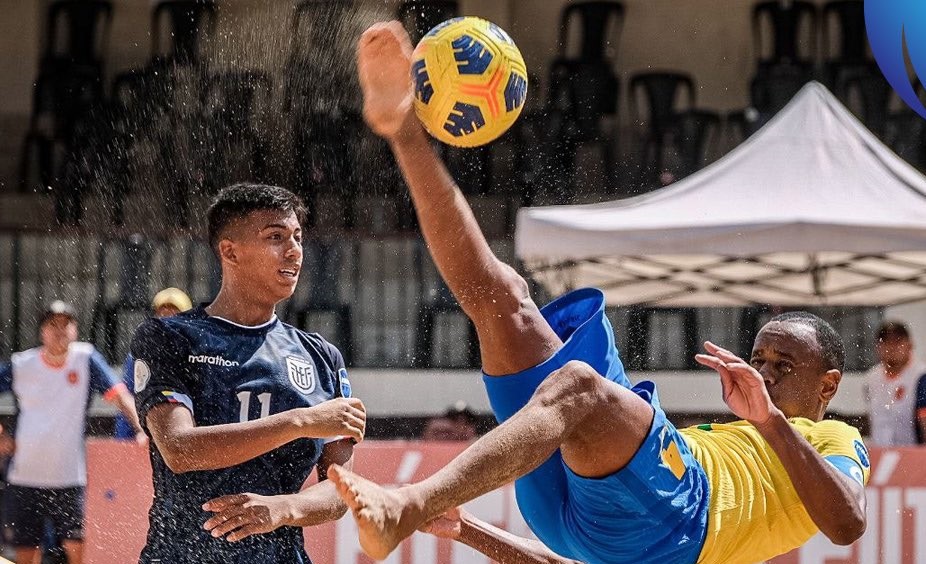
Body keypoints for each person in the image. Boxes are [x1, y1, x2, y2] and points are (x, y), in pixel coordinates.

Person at [323, 22, 869, 564]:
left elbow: (846, 525)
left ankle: (407, 504)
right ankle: (402, 130)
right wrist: (470, 531)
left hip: (681, 515)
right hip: (590, 520)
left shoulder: (836, 441)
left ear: (829, 384)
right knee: (505, 300)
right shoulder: (734, 440)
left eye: (783, 365)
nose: (764, 372)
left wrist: (770, 421)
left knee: (579, 385)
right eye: (760, 359)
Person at [130, 183, 366, 563]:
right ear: (230, 251)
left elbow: (341, 489)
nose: (294, 251)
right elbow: (178, 448)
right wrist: (301, 421)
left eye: (298, 237)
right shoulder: (169, 336)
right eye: (275, 236)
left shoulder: (321, 356)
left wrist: (283, 509)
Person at [0, 300, 145, 564]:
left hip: (68, 477)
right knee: (24, 555)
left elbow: (120, 395)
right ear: (42, 331)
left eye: (66, 324)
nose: (60, 330)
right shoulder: (22, 365)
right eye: (53, 325)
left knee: (77, 551)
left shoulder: (85, 359)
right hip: (24, 477)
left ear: (75, 330)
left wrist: (141, 428)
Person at [114, 287, 193, 439]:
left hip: (181, 439)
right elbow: (129, 397)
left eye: (175, 315)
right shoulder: (139, 356)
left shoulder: (195, 357)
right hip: (139, 438)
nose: (167, 321)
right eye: (162, 315)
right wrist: (141, 430)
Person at [865, 320, 925, 446]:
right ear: (878, 347)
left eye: (898, 342)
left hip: (911, 453)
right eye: (886, 342)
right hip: (880, 454)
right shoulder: (872, 378)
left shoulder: (921, 376)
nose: (892, 347)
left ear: (910, 345)